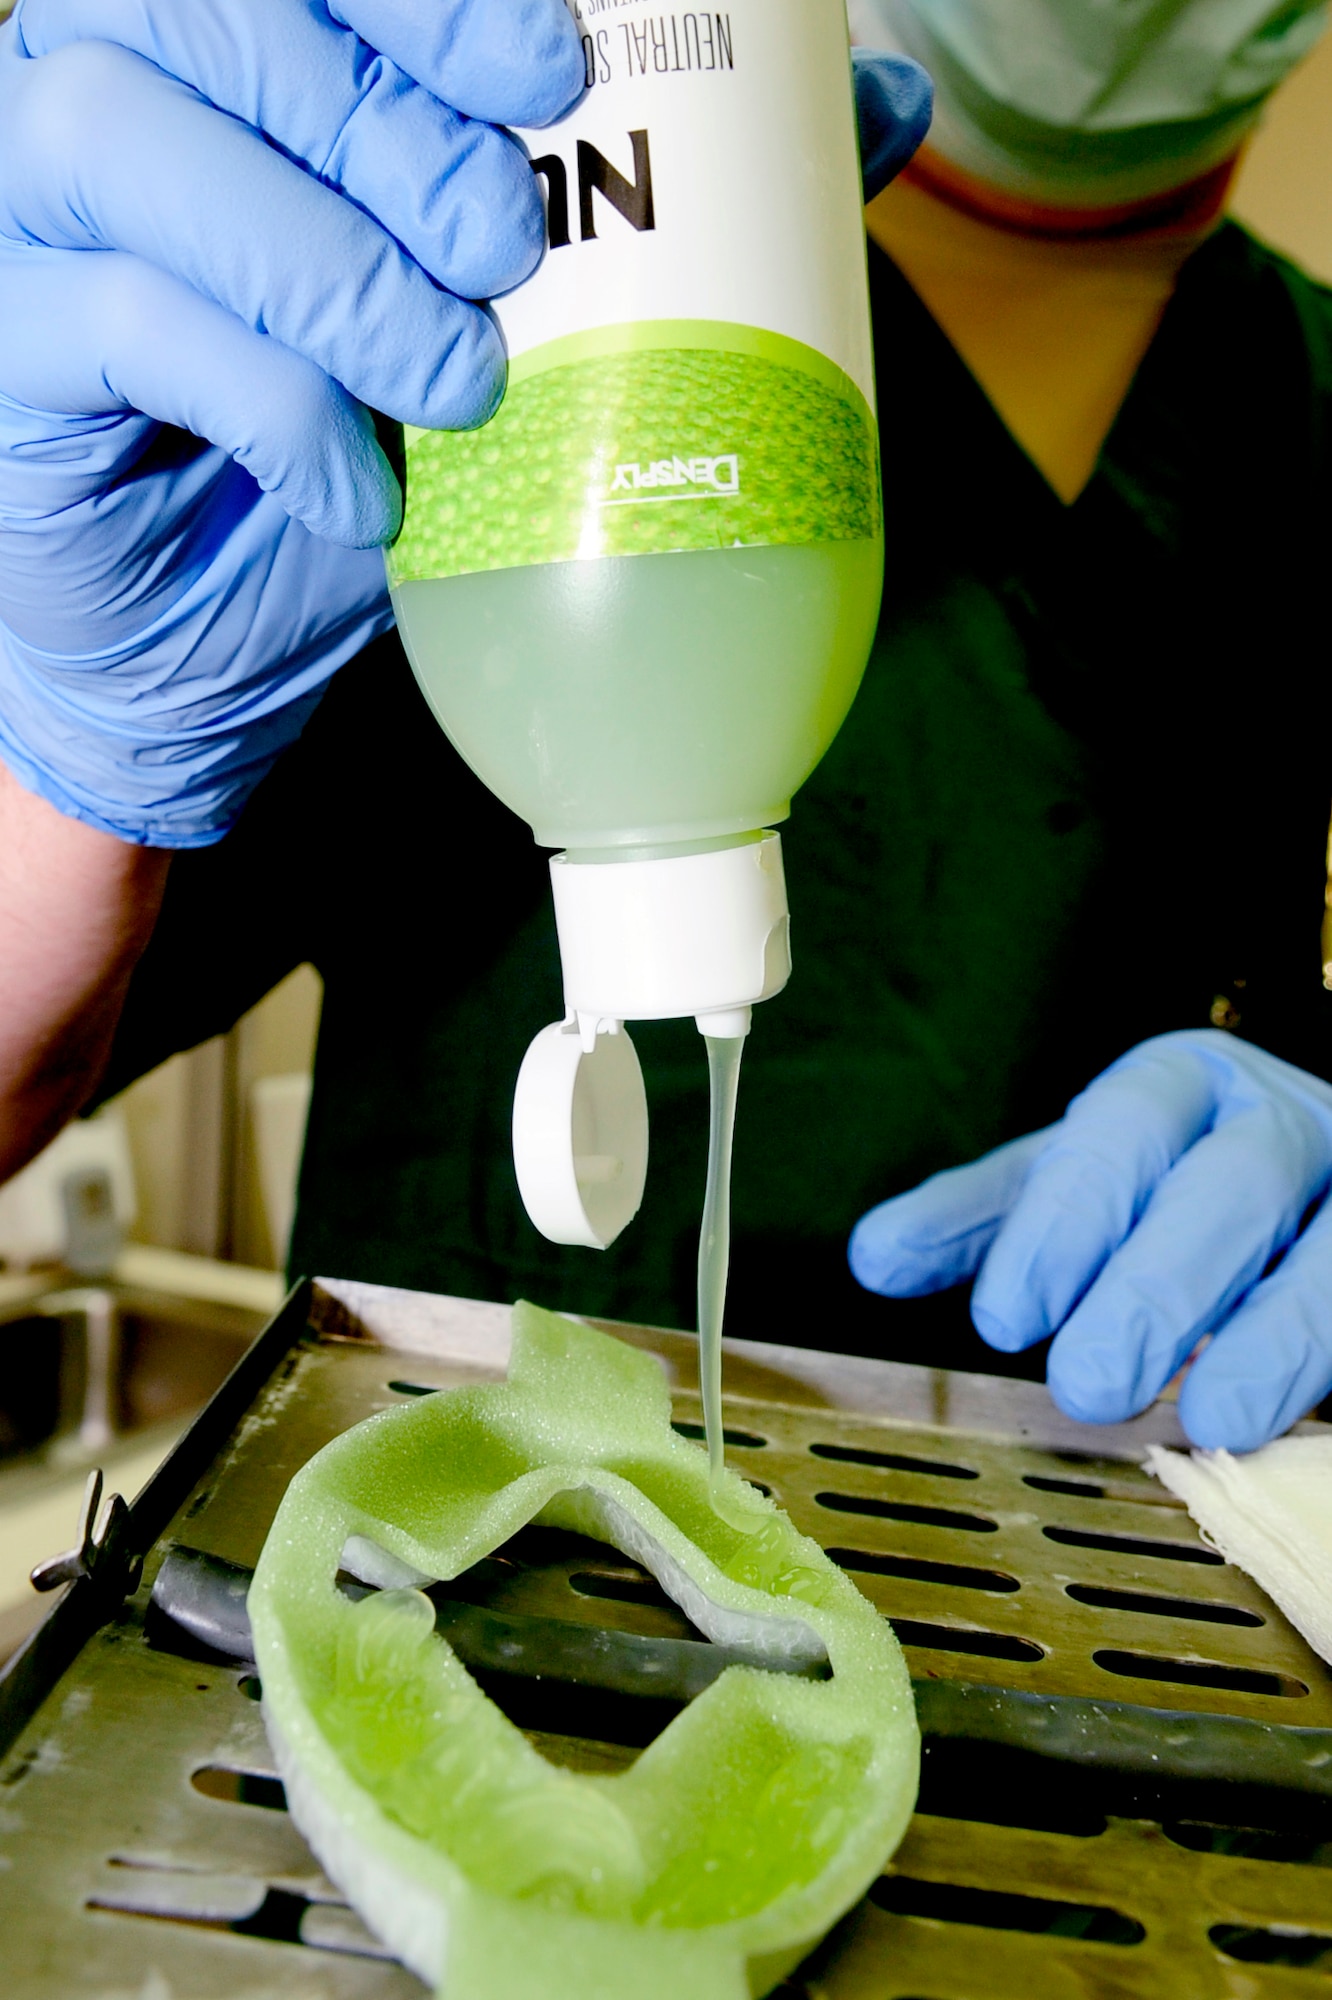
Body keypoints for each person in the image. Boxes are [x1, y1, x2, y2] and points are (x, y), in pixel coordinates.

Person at [3, 0, 1332, 1456]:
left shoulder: (1299, 415)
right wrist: (62, 760)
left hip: (1112, 1599)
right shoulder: (425, 274)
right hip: (460, 1584)